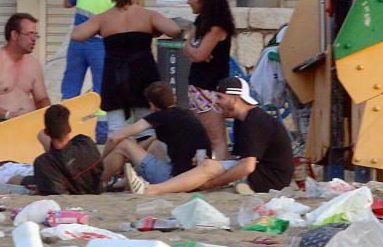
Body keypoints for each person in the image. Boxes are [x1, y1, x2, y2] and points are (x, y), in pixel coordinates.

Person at [126, 76, 294, 195]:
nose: (216, 102)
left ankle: (151, 190)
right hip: (263, 173)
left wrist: (212, 182)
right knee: (210, 165)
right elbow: (239, 160)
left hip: (271, 179)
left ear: (235, 99)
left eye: (220, 97)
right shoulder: (243, 119)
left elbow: (247, 166)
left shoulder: (254, 120)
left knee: (210, 168)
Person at [71, 0, 183, 136]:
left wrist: (102, 29)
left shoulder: (105, 18)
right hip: (143, 75)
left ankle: (118, 158)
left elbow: (77, 35)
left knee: (116, 129)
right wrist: (153, 30)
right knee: (147, 127)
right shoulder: (147, 15)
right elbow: (174, 30)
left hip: (114, 78)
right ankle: (145, 159)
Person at [101, 81, 211, 186]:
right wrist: (132, 155)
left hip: (175, 178)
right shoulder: (186, 114)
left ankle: (97, 180)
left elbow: (115, 138)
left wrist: (100, 161)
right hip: (197, 174)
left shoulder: (160, 116)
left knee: (124, 145)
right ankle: (120, 184)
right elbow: (151, 142)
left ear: (152, 105)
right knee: (155, 145)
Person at [182, 0, 234, 158]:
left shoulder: (217, 27)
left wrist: (194, 50)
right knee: (202, 136)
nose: (189, 1)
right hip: (197, 86)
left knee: (216, 138)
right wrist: (194, 49)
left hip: (210, 88)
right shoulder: (200, 22)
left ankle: (221, 172)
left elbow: (197, 54)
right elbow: (189, 49)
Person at [0, 13, 50, 120]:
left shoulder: (33, 64)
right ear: (14, 35)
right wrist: (7, 114)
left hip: (28, 124)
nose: (34, 39)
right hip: (0, 124)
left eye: (35, 35)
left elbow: (42, 99)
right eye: (30, 34)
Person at [60, 0, 121, 99]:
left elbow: (66, 3)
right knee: (101, 88)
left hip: (76, 44)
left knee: (70, 85)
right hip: (98, 46)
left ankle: (64, 117)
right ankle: (101, 120)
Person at [33, 105, 103, 195]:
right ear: (69, 129)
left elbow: (55, 191)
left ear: (47, 133)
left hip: (63, 182)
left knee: (16, 179)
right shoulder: (85, 143)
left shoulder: (42, 162)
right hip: (94, 188)